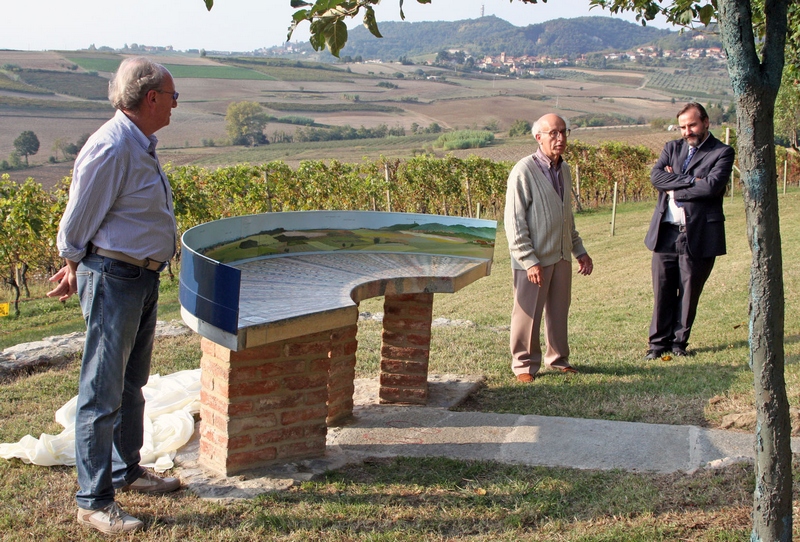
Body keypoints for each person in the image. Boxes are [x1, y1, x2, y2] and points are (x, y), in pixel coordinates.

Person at [47, 57, 181, 534]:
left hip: (138, 278)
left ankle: (128, 471)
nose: (174, 104)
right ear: (150, 99)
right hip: (115, 278)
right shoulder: (112, 146)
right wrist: (72, 264)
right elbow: (77, 221)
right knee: (101, 392)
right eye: (171, 96)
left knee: (131, 385)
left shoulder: (137, 142)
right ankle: (94, 500)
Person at [504, 113, 593, 383]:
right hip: (534, 260)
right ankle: (523, 366)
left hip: (562, 255)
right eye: (553, 133)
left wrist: (579, 250)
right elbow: (514, 222)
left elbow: (567, 217)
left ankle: (558, 359)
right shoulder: (523, 170)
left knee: (558, 310)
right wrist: (529, 260)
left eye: (564, 132)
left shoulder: (564, 169)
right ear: (538, 138)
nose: (560, 138)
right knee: (527, 313)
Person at [644, 102, 734, 360]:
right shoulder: (671, 148)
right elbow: (656, 177)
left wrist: (673, 185)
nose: (687, 131)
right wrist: (692, 181)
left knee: (689, 291)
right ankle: (657, 346)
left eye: (692, 125)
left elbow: (712, 188)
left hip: (700, 233)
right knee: (662, 290)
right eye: (683, 126)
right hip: (666, 232)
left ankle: (678, 344)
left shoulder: (722, 152)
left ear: (706, 122)